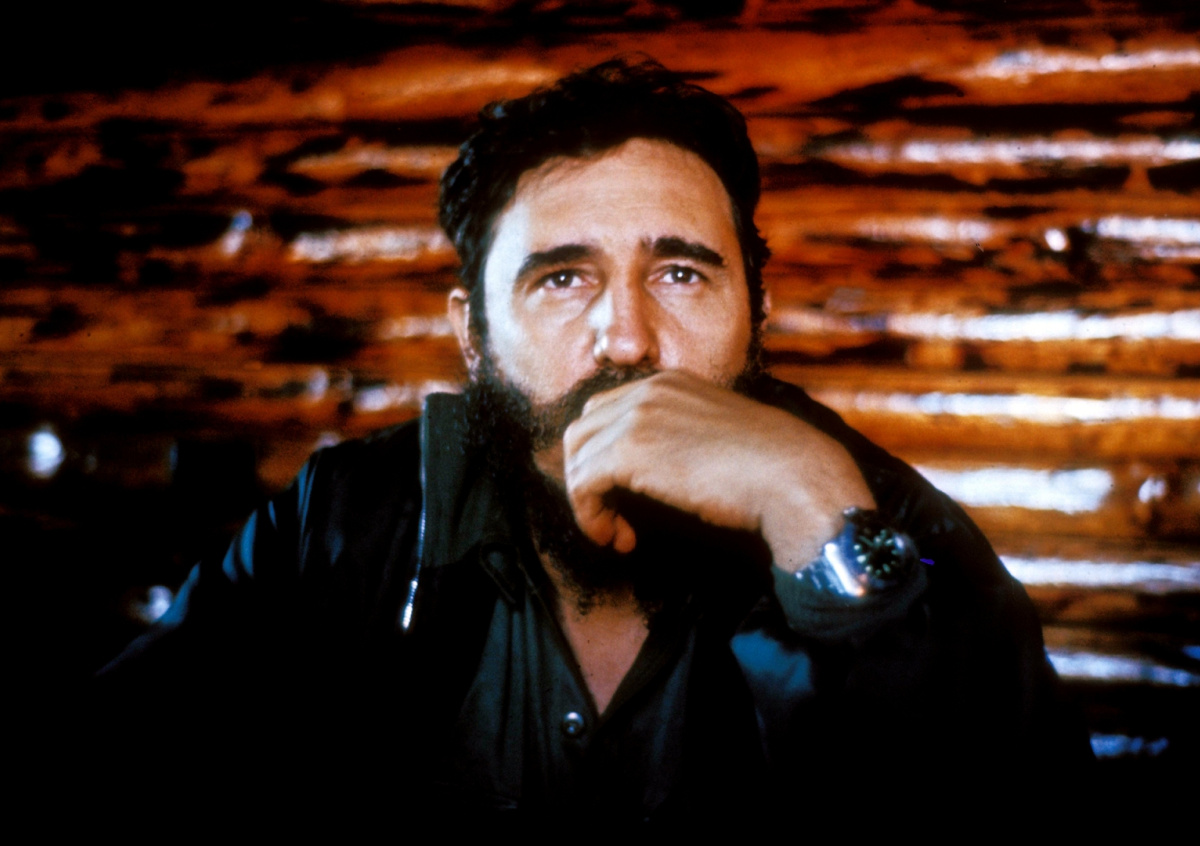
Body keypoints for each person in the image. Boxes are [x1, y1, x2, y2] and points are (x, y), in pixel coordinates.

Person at [93, 58, 1090, 815]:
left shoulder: (889, 520)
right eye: (562, 278)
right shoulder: (345, 521)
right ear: (472, 337)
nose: (626, 339)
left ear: (758, 313)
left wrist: (813, 511)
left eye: (680, 274)